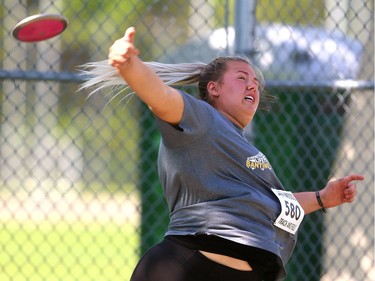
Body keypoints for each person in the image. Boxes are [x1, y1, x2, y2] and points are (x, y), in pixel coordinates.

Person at [81, 27, 364, 281]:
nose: (253, 85)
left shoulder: (246, 150)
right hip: (188, 264)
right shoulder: (202, 118)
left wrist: (321, 198)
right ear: (213, 89)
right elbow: (160, 97)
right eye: (242, 78)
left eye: (255, 81)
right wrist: (129, 65)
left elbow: (274, 206)